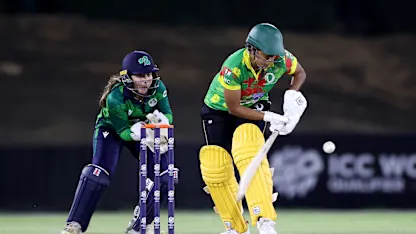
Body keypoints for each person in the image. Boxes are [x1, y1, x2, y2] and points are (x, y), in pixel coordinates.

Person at [199, 23, 308, 234]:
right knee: (216, 165)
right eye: (266, 56)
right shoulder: (234, 66)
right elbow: (234, 107)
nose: (271, 61)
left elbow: (300, 73)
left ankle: (265, 220)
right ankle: (235, 227)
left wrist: (291, 96)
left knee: (249, 147)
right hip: (219, 109)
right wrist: (268, 116)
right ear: (252, 49)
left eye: (274, 56)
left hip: (253, 105)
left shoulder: (280, 59)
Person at [60, 50, 178, 234]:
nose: (146, 80)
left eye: (149, 74)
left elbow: (168, 113)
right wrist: (143, 132)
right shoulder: (116, 97)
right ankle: (75, 225)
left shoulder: (159, 88)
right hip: (112, 130)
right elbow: (123, 132)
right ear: (128, 77)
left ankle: (139, 227)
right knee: (97, 174)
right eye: (140, 75)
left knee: (166, 175)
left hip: (144, 129)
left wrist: (162, 122)